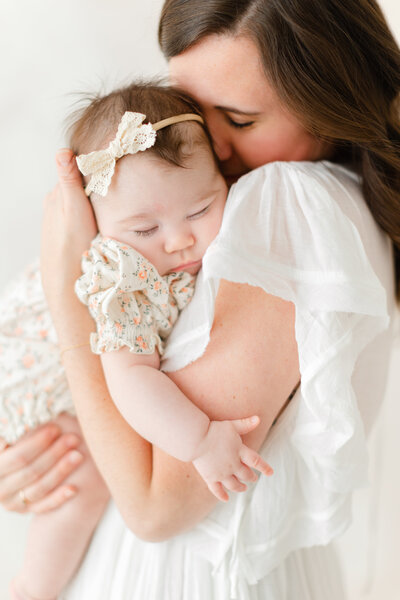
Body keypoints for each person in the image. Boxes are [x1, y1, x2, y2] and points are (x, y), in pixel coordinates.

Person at [1, 0, 399, 598]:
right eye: (194, 107)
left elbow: (156, 509)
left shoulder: (290, 203)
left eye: (238, 119)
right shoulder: (259, 206)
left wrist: (67, 293)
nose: (205, 147)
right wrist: (59, 454)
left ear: (328, 104)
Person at [1, 82, 272, 600]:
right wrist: (199, 439)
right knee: (79, 474)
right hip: (34, 383)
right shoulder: (124, 278)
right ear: (95, 225)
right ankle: (30, 589)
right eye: (144, 228)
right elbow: (130, 378)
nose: (178, 239)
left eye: (199, 210)